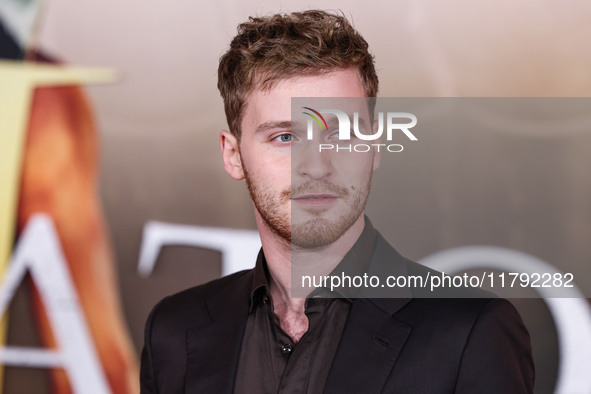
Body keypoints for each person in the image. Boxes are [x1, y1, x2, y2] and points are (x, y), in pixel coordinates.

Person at [140, 10, 534, 393]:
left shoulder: (471, 331)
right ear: (233, 155)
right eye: (285, 137)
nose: (316, 167)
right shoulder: (174, 330)